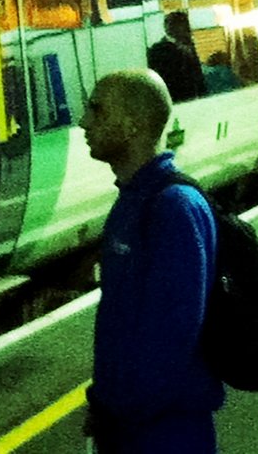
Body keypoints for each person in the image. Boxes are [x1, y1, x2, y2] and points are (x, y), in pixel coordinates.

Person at [81, 69, 223, 453]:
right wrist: (103, 401)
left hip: (165, 433)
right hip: (127, 425)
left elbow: (173, 335)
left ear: (133, 125)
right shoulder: (132, 202)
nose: (83, 121)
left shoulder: (174, 208)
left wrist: (122, 409)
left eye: (97, 110)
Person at [147, 11, 206, 103]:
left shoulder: (188, 45)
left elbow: (197, 73)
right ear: (170, 27)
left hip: (195, 99)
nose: (188, 28)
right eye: (183, 25)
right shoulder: (158, 50)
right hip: (174, 100)